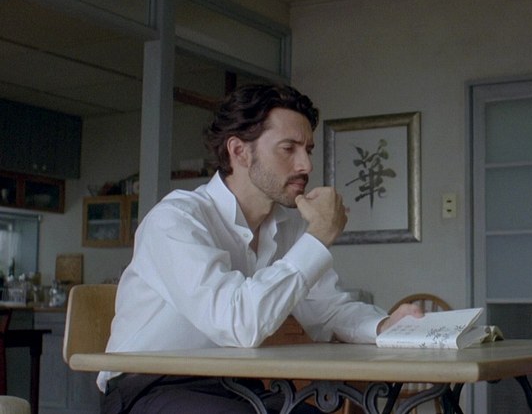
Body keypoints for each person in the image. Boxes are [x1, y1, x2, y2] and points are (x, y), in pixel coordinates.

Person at [98, 83, 423, 414]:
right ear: (239, 151)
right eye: (288, 149)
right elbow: (237, 324)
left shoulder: (289, 227)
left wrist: (384, 327)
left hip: (235, 384)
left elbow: (327, 310)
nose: (306, 165)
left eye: (308, 150)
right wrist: (319, 236)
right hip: (149, 386)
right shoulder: (176, 219)